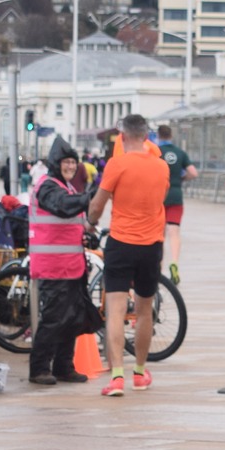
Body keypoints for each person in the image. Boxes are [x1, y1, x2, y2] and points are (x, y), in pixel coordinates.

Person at [84, 113, 171, 396]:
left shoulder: (116, 164)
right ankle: (140, 372)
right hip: (151, 245)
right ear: (146, 136)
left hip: (121, 243)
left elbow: (97, 205)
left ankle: (117, 376)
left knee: (116, 310)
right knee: (145, 310)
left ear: (122, 136)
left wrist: (90, 223)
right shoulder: (161, 167)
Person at [26, 135, 97, 387]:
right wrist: (91, 197)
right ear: (56, 163)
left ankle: (64, 366)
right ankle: (39, 368)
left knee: (73, 318)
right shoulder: (47, 186)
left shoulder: (66, 187)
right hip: (53, 267)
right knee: (54, 318)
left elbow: (69, 220)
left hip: (71, 265)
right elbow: (63, 207)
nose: (70, 166)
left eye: (73, 162)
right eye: (66, 162)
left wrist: (87, 233)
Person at [155, 123, 197, 283]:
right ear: (171, 136)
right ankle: (174, 262)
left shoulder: (156, 152)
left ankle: (159, 265)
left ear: (158, 136)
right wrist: (181, 178)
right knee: (174, 232)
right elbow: (193, 172)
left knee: (159, 234)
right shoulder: (180, 153)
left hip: (159, 196)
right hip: (176, 194)